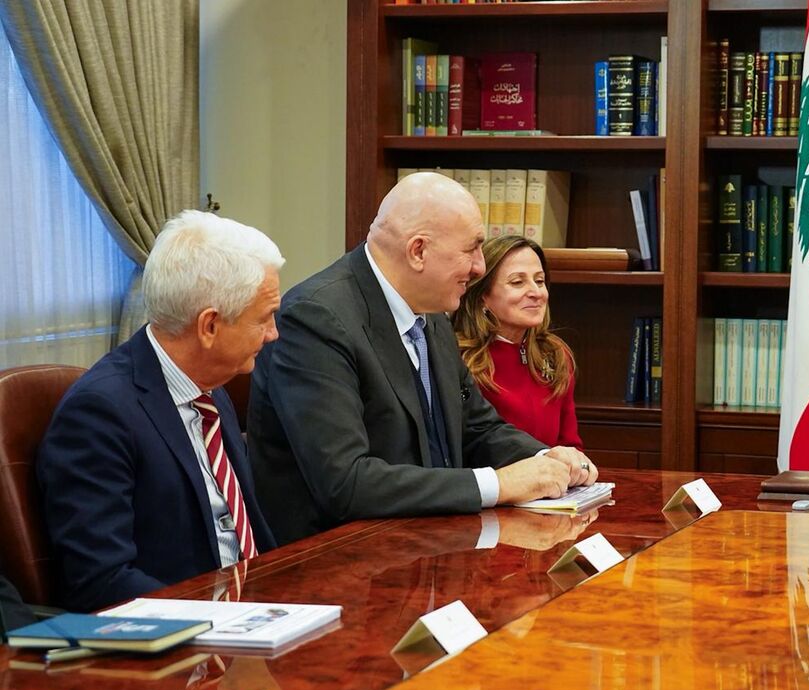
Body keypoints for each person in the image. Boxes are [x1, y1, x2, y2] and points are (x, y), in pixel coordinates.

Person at [249, 172, 598, 546]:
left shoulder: (429, 310)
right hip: (335, 562)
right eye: (471, 249)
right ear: (418, 251)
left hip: (427, 550)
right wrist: (499, 484)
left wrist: (548, 459)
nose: (480, 267)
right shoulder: (316, 319)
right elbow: (346, 484)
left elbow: (477, 428)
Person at [38, 211, 282, 611]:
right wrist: (221, 619)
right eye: (264, 318)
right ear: (209, 326)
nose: (273, 333)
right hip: (181, 645)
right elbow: (101, 581)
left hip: (254, 613)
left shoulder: (210, 386)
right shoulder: (100, 414)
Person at [453, 235, 582, 449]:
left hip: (554, 480)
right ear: (484, 295)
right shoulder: (459, 358)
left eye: (539, 281)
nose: (536, 293)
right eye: (517, 282)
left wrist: (579, 468)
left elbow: (570, 445)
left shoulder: (556, 354)